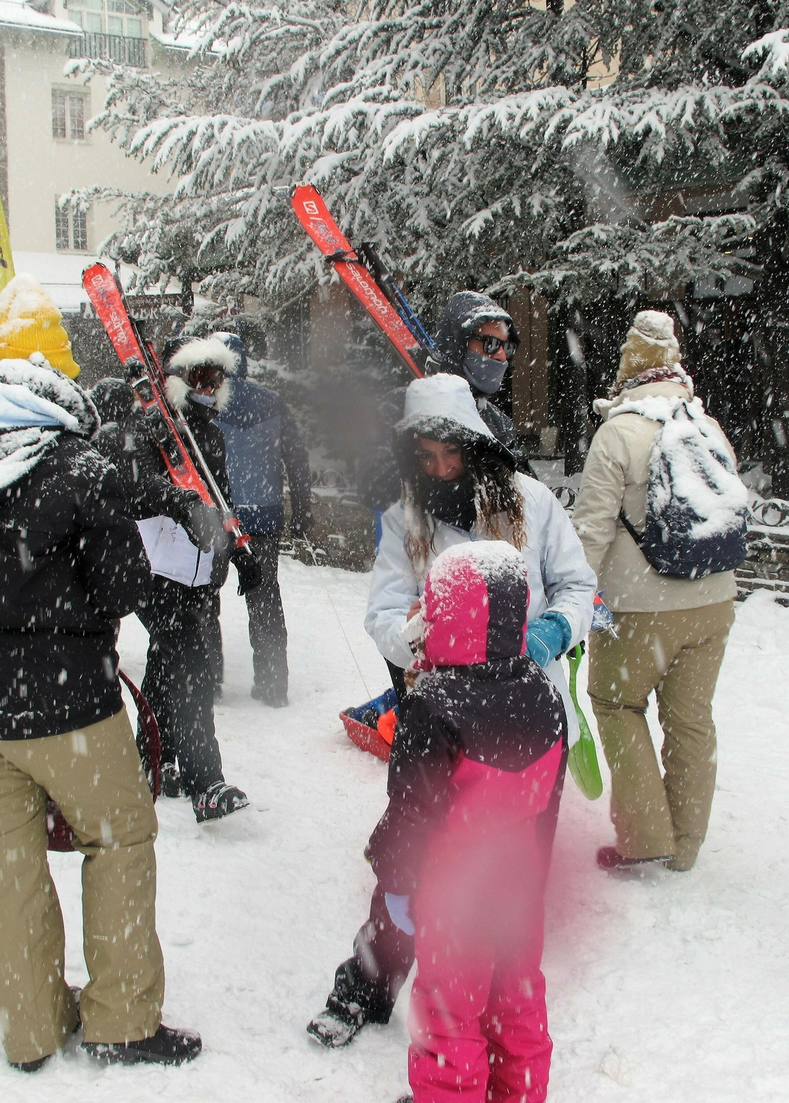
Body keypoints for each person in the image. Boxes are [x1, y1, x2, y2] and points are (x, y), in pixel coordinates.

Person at [0, 275, 200, 1071]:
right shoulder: (75, 468)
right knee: (119, 838)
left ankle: (29, 1029)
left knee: (4, 851)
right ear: (57, 371)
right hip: (63, 704)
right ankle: (121, 1020)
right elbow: (128, 588)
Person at [309, 373, 595, 1048]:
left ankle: (490, 1023)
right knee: (413, 856)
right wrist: (422, 636)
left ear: (477, 448)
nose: (440, 469)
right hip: (442, 724)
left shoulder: (531, 503)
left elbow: (579, 584)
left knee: (512, 879)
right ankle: (370, 983)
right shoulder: (405, 520)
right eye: (426, 458)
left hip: (528, 723)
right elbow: (383, 612)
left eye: (452, 455)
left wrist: (552, 629)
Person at [368, 542, 567, 1102]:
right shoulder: (545, 696)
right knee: (518, 1004)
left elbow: (410, 812)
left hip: (454, 895)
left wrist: (399, 885)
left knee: (448, 1018)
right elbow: (549, 807)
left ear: (449, 613)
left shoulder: (434, 705)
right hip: (518, 891)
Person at [570, 311, 743, 872]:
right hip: (714, 602)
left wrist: (570, 600)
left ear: (628, 365)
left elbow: (591, 531)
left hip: (638, 608)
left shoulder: (618, 432)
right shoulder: (707, 426)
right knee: (692, 719)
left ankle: (644, 839)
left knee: (617, 704)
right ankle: (687, 843)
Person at [128, 335, 257, 819]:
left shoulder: (214, 435)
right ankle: (208, 781)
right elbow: (139, 488)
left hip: (203, 575)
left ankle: (151, 764)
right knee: (193, 674)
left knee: (166, 670)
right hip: (161, 573)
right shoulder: (153, 430)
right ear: (179, 382)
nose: (208, 388)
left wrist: (239, 552)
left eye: (216, 379)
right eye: (199, 379)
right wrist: (182, 504)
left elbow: (221, 503)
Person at [359, 291, 534, 518]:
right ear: (459, 343)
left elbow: (528, 496)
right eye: (490, 344)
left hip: (482, 550)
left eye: (507, 348)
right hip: (414, 547)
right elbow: (374, 487)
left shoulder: (498, 422)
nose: (501, 356)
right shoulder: (404, 405)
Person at [213, 331, 313, 707]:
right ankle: (273, 686)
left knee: (205, 601)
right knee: (265, 600)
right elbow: (297, 459)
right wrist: (303, 507)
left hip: (218, 516)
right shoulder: (273, 403)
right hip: (265, 517)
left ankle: (208, 681)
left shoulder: (204, 404)